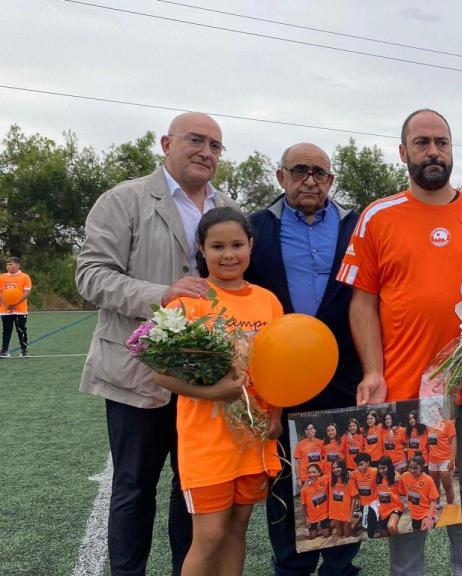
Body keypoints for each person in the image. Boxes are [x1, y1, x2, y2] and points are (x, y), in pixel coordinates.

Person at [76, 112, 238, 576]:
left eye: (215, 145)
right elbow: (90, 276)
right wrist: (160, 295)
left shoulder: (225, 205)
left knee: (193, 488)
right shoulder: (122, 200)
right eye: (196, 140)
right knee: (133, 488)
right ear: (167, 143)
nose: (206, 151)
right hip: (136, 375)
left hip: (202, 379)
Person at [341, 108, 462, 576]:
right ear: (403, 151)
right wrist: (373, 370)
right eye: (423, 142)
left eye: (442, 143)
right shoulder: (377, 215)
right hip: (408, 381)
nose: (434, 151)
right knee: (412, 485)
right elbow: (362, 302)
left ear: (452, 150)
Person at [246, 141, 364, 576]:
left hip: (344, 374)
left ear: (332, 181)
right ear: (281, 177)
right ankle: (291, 566)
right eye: (300, 171)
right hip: (280, 379)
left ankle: (340, 566)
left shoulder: (359, 227)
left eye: (320, 173)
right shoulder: (255, 227)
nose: (310, 180)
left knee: (343, 476)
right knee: (286, 479)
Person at [152, 206, 284, 575]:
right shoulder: (187, 302)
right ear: (201, 249)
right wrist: (217, 394)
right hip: (206, 441)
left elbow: (280, 366)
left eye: (237, 245)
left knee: (236, 532)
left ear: (251, 246)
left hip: (253, 440)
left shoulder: (268, 301)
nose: (229, 255)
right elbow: (160, 374)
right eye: (218, 246)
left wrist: (275, 413)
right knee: (208, 536)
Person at [424, 403, 457, 505]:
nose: (432, 414)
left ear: (440, 410)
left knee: (448, 487)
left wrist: (452, 460)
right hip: (432, 461)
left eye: (433, 411)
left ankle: (450, 508)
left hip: (445, 460)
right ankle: (436, 507)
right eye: (430, 413)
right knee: (435, 486)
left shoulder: (448, 424)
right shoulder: (428, 426)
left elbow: (454, 443)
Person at [398, 454, 440, 532]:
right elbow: (401, 491)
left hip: (427, 513)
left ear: (421, 467)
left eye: (415, 468)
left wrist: (429, 518)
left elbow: (433, 501)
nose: (412, 470)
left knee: (426, 530)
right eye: (410, 468)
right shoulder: (405, 476)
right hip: (414, 515)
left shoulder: (428, 480)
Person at [1, 256, 31, 357]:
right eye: (7, 264)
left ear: (18, 265)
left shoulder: (25, 277)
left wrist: (15, 303)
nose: (8, 266)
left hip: (20, 310)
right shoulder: (2, 277)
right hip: (5, 310)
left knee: (21, 330)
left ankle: (24, 350)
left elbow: (26, 293)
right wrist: (6, 304)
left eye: (11, 264)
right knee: (6, 330)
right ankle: (4, 351)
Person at [351, 452, 380, 537]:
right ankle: (361, 517)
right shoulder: (355, 473)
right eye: (358, 465)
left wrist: (396, 473)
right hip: (362, 504)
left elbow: (389, 471)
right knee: (353, 529)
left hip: (374, 502)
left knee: (371, 530)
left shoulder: (375, 471)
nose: (360, 467)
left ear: (368, 462)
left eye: (361, 464)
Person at [301, 464, 331, 541]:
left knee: (326, 535)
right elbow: (303, 505)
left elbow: (336, 473)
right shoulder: (304, 489)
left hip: (324, 514)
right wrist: (306, 518)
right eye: (309, 472)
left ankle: (327, 525)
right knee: (312, 537)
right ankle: (315, 528)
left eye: (314, 472)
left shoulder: (325, 479)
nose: (311, 474)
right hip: (312, 516)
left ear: (319, 472)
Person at [376, 456, 403, 536]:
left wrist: (397, 473)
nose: (381, 471)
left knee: (391, 526)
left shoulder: (396, 477)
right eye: (379, 468)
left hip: (395, 507)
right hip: (382, 510)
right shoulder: (376, 477)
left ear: (389, 467)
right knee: (385, 534)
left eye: (383, 468)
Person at [328, 461, 356, 540]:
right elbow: (316, 478)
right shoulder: (330, 478)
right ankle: (337, 523)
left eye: (338, 467)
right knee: (339, 533)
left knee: (347, 534)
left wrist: (350, 515)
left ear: (343, 467)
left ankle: (356, 520)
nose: (335, 469)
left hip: (346, 512)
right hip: (335, 512)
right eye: (333, 468)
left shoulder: (349, 480)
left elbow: (354, 498)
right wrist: (307, 482)